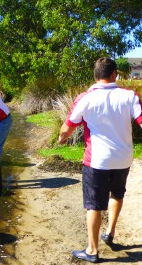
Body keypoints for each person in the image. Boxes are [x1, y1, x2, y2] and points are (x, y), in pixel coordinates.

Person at [58, 57, 142, 263]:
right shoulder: (130, 95)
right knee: (117, 194)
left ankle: (92, 250)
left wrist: (62, 139)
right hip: (123, 159)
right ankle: (110, 233)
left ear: (95, 75)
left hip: (97, 161)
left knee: (94, 205)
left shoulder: (85, 97)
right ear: (114, 74)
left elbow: (68, 127)